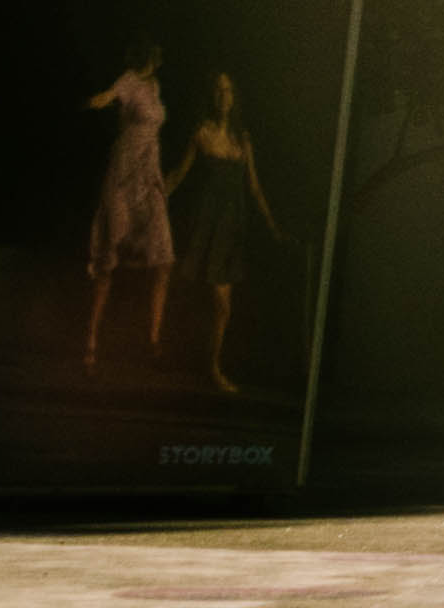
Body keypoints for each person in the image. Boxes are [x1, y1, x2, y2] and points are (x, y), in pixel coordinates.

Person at [167, 70, 288, 394]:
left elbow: (254, 187)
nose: (224, 96)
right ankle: (201, 366)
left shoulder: (242, 139)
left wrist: (274, 225)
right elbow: (179, 173)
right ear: (212, 96)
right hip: (207, 224)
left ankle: (210, 368)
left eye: (229, 90)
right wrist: (151, 197)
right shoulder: (202, 133)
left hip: (232, 226)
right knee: (206, 299)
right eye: (218, 90)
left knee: (222, 305)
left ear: (234, 97)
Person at [80, 41, 178, 361]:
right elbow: (110, 96)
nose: (152, 60)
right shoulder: (129, 81)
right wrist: (92, 102)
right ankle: (91, 343)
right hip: (124, 173)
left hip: (148, 177)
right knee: (109, 256)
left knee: (163, 258)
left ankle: (153, 340)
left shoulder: (154, 85)